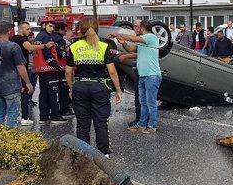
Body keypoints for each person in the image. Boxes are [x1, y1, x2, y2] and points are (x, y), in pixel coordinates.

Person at [66, 18, 122, 156]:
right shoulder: (104, 46)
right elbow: (112, 71)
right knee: (101, 122)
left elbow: (68, 71)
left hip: (80, 86)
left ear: (81, 30)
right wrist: (118, 90)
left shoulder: (74, 46)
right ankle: (104, 154)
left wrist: (71, 88)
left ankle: (83, 154)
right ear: (97, 30)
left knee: (82, 123)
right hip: (99, 87)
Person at [0, 24, 34, 128]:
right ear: (9, 32)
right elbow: (20, 67)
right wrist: (28, 83)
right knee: (12, 114)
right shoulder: (13, 47)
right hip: (11, 86)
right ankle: (10, 139)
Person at [117, 21, 162, 134]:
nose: (136, 28)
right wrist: (123, 43)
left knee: (150, 102)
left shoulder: (150, 37)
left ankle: (152, 126)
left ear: (142, 27)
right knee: (143, 102)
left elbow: (133, 39)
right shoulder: (142, 40)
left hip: (152, 75)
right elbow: (131, 49)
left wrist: (120, 35)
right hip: (143, 75)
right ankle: (142, 124)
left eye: (137, 26)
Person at [11, 22, 55, 125]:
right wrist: (45, 46)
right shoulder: (22, 39)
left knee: (13, 94)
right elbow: (29, 47)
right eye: (27, 29)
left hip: (12, 69)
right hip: (21, 69)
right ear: (21, 29)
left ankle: (14, 116)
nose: (29, 31)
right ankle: (25, 118)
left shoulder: (13, 39)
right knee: (24, 93)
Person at [34, 20, 68, 124]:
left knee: (43, 93)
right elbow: (48, 54)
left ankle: (43, 116)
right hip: (50, 69)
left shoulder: (38, 36)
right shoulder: (47, 37)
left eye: (53, 27)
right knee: (54, 93)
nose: (52, 29)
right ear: (44, 25)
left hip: (41, 70)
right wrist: (57, 66)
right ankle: (55, 116)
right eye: (50, 26)